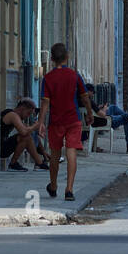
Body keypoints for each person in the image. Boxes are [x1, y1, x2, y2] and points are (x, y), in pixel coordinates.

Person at [40, 42, 93, 201]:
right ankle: (69, 189)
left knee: (55, 154)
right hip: (73, 119)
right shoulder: (74, 75)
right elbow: (84, 97)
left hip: (56, 121)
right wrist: (90, 114)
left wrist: (41, 122)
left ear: (51, 59)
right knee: (71, 152)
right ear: (67, 57)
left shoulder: (48, 78)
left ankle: (54, 185)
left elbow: (45, 103)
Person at [84, 83, 128, 154]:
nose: (93, 95)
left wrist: (98, 108)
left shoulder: (81, 100)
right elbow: (103, 115)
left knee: (112, 107)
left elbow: (93, 111)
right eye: (92, 92)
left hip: (95, 119)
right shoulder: (90, 102)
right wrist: (104, 108)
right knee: (126, 118)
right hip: (104, 121)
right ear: (89, 91)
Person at [0, 99, 49, 172]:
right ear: (22, 108)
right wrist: (36, 126)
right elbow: (24, 132)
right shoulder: (12, 115)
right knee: (25, 136)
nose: (28, 116)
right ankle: (13, 164)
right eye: (28, 113)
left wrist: (44, 153)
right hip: (0, 149)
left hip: (2, 146)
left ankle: (40, 163)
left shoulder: (16, 116)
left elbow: (28, 131)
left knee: (28, 135)